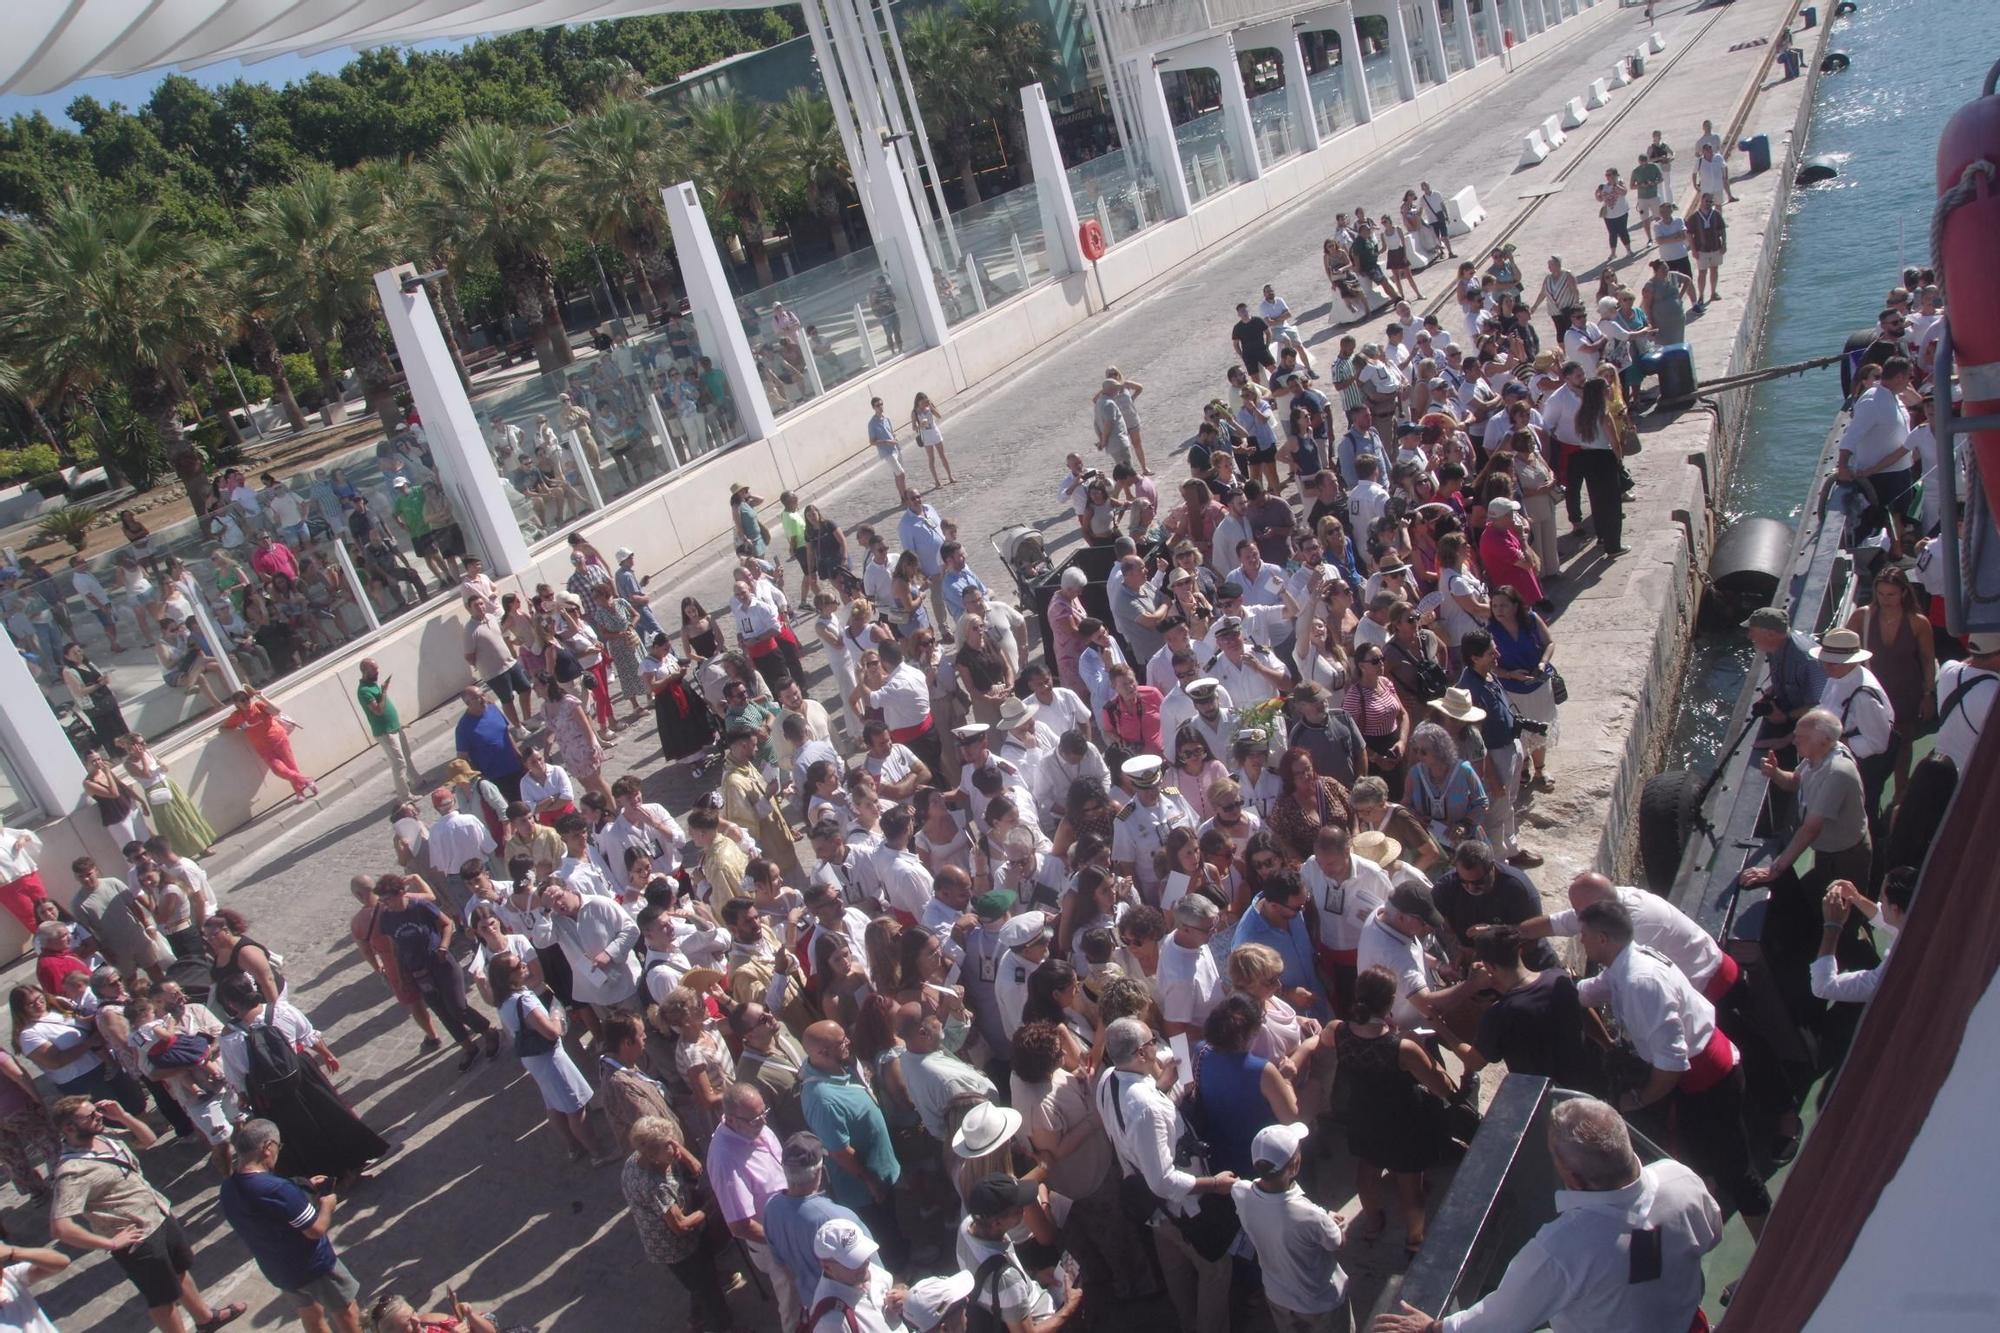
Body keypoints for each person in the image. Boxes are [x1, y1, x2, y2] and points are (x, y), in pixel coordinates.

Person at [1371, 1098, 1721, 1333]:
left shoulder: (1560, 1248)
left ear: (1573, 1175)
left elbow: (1501, 1319)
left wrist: (1435, 1328)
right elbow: (1712, 1234)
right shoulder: (1682, 1179)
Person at [1572, 898, 1769, 1240]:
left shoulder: (1640, 982)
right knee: (1703, 1162)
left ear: (1604, 939)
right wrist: (1557, 986)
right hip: (1698, 1077)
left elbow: (1672, 1063)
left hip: (1708, 1082)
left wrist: (1639, 1099)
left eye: (1584, 935)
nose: (1580, 942)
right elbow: (1597, 989)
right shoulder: (1628, 962)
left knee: (1735, 1170)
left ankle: (1770, 1254)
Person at [49, 1094, 248, 1333]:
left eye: (96, 1111)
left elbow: (147, 1139)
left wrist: (123, 1116)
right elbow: (61, 1228)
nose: (99, 1116)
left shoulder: (104, 1137)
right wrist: (110, 1242)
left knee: (179, 1270)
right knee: (162, 1298)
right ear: (69, 1127)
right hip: (138, 1239)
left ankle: (206, 1319)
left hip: (158, 1215)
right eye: (91, 1116)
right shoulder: (72, 1172)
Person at [1096, 1017, 1236, 1332]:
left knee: (1175, 1265)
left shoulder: (1107, 1079)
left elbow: (1130, 1123)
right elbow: (1162, 1180)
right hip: (1181, 1207)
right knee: (1216, 1269)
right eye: (1151, 1041)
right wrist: (1214, 1185)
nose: (1157, 1044)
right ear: (1141, 1054)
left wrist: (1162, 1086)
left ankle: (1187, 1323)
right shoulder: (1147, 1108)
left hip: (1152, 1208)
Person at [219, 1119, 363, 1333]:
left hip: (279, 1270)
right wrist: (327, 1205)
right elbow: (315, 1230)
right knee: (347, 1313)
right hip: (315, 1266)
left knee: (311, 1316)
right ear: (268, 1147)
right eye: (278, 1146)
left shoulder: (228, 1188)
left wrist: (302, 1186)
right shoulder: (278, 1190)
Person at [799, 1020, 907, 1268]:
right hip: (865, 1190)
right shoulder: (822, 1099)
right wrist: (872, 1183)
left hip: (880, 1174)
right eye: (841, 1042)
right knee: (884, 1235)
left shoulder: (835, 1068)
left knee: (893, 1221)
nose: (848, 1041)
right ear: (822, 1053)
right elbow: (841, 1152)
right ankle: (900, 1273)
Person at [1234, 1121, 1352, 1333]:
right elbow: (1338, 1243)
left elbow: (1233, 1186)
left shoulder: (1241, 1193)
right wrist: (1330, 1221)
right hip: (1321, 1304)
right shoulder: (1313, 1216)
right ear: (1294, 1165)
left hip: (1277, 1298)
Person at [621, 1114, 736, 1331]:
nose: (676, 1148)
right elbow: (681, 1226)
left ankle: (697, 1315)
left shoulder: (640, 1157)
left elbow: (671, 1146)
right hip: (676, 1248)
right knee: (709, 1292)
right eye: (669, 1147)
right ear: (653, 1155)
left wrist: (688, 1157)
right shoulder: (654, 1186)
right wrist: (711, 1206)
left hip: (683, 1235)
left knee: (701, 1282)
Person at [1740, 708, 1873, 889]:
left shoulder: (1837, 772)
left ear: (1823, 741)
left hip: (1846, 855)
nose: (1794, 741)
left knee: (1846, 909)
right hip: (1827, 849)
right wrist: (1775, 773)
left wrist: (1774, 870)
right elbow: (1795, 782)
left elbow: (1811, 829)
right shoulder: (1816, 756)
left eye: (1801, 738)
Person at [957, 1172, 1085, 1332]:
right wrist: (1068, 1309)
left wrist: (1033, 1276)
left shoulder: (966, 1227)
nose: (1024, 1208)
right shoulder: (1008, 1281)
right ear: (997, 1223)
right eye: (1018, 1209)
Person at [220, 689, 317, 801]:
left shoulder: (258, 706)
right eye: (242, 700)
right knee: (279, 770)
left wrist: (262, 697)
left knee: (291, 767)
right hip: (263, 749)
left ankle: (299, 792)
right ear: (237, 704)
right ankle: (307, 780)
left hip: (279, 739)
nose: (247, 702)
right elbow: (222, 729)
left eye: (247, 698)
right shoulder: (237, 716)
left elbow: (277, 711)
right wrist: (239, 727)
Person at [1687, 193, 1727, 307]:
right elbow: (1689, 234)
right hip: (1701, 249)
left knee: (1714, 270)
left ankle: (1713, 292)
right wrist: (1693, 250)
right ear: (1702, 201)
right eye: (1707, 201)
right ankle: (1701, 296)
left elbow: (1722, 229)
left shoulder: (1716, 214)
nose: (1709, 203)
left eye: (1711, 202)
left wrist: (1724, 244)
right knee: (1702, 273)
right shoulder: (1694, 217)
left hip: (1715, 247)